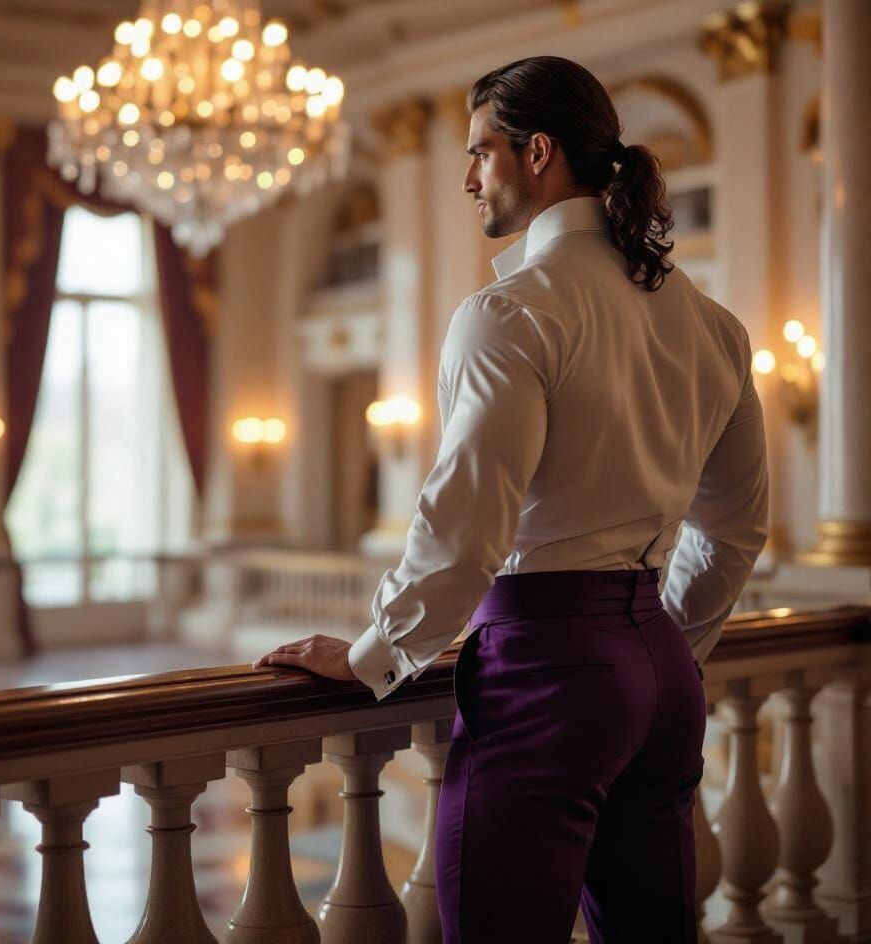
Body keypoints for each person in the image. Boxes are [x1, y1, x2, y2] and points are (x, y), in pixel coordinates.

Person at [253, 55, 769, 943]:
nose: (466, 177)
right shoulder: (712, 324)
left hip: (548, 670)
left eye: (479, 152)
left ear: (538, 152)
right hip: (659, 666)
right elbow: (734, 528)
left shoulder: (511, 312)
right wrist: (658, 650)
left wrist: (376, 653)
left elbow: (465, 527)